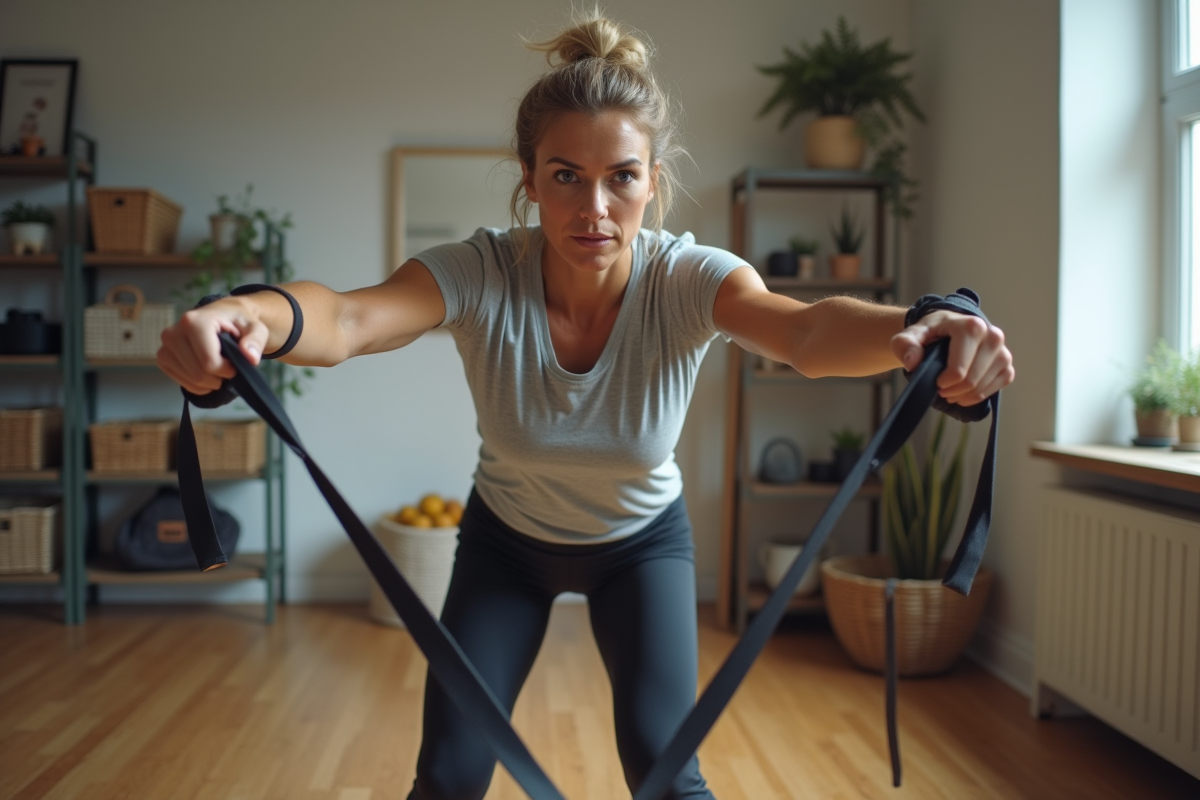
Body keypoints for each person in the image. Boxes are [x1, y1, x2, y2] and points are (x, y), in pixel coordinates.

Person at [158, 13, 1014, 800]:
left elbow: (805, 331)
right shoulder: (482, 271)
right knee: (448, 777)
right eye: (566, 176)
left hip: (642, 548)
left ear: (653, 184)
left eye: (621, 178)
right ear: (530, 180)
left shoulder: (687, 278)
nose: (594, 209)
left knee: (666, 773)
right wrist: (246, 316)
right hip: (505, 546)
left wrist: (922, 324)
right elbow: (348, 318)